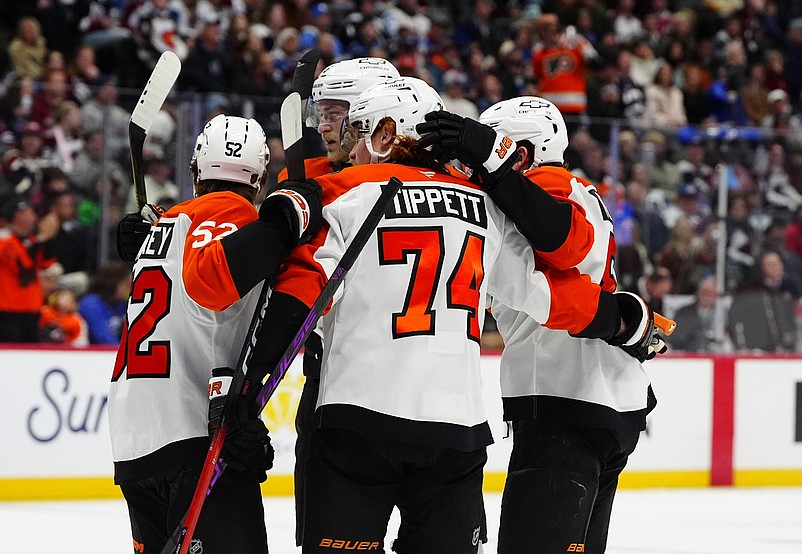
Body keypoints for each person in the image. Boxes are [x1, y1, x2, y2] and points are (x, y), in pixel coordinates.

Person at [250, 78, 662, 554]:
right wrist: (618, 319)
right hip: (456, 431)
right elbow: (543, 290)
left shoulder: (344, 190)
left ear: (385, 136)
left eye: (358, 133)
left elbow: (295, 293)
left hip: (357, 419)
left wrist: (247, 391)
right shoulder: (485, 209)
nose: (349, 149)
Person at [418, 96, 666, 553]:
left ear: (522, 154)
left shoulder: (549, 187)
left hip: (563, 401)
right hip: (605, 400)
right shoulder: (571, 191)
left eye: (490, 148)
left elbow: (532, 274)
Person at [108, 114, 322, 554]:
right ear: (260, 177)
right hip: (195, 433)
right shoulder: (236, 214)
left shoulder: (166, 225)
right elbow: (216, 277)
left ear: (194, 171)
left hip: (134, 435)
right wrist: (287, 217)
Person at [276, 55, 401, 548]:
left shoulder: (344, 183)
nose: (323, 126)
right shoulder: (311, 174)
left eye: (335, 113)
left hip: (396, 390)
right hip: (337, 384)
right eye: (320, 113)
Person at [0, 194, 60, 343]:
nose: (34, 217)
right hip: (8, 310)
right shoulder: (4, 239)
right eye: (29, 212)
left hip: (32, 308)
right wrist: (41, 238)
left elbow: (47, 262)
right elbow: (22, 265)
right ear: (17, 215)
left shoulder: (30, 240)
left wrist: (50, 238)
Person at [77, 261, 131, 345]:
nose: (128, 289)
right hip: (95, 354)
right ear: (113, 283)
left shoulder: (120, 304)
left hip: (116, 352)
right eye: (126, 284)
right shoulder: (91, 304)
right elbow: (102, 337)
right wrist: (124, 353)